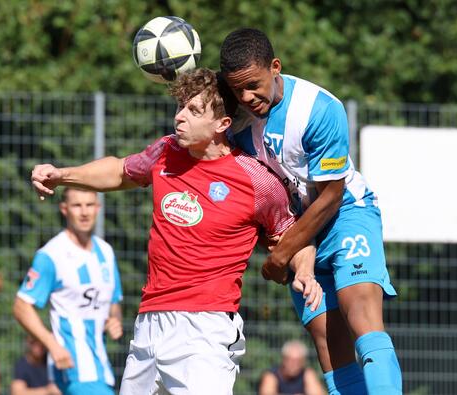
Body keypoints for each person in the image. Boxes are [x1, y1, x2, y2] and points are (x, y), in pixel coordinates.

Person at [29, 67, 322, 395]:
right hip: (149, 324)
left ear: (222, 125)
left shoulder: (256, 180)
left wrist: (306, 271)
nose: (180, 116)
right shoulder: (167, 152)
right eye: (180, 106)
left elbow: (292, 235)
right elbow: (119, 171)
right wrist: (62, 175)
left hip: (205, 330)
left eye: (194, 110)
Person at [220, 28, 402, 395]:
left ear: (275, 67)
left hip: (346, 213)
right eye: (236, 89)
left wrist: (283, 253)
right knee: (327, 340)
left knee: (361, 313)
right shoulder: (234, 122)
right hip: (296, 230)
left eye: (253, 85)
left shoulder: (318, 109)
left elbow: (331, 196)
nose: (246, 96)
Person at [13, 188, 124, 395]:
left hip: (101, 366)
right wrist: (52, 344)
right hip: (74, 366)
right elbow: (21, 306)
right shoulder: (52, 255)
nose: (84, 212)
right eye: (77, 205)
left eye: (89, 205)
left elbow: (114, 301)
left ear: (98, 208)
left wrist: (114, 320)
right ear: (64, 209)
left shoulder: (106, 252)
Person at [258, 340, 326, 395]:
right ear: (284, 359)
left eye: (298, 361)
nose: (294, 365)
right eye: (291, 360)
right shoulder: (271, 375)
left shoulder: (307, 374)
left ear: (303, 362)